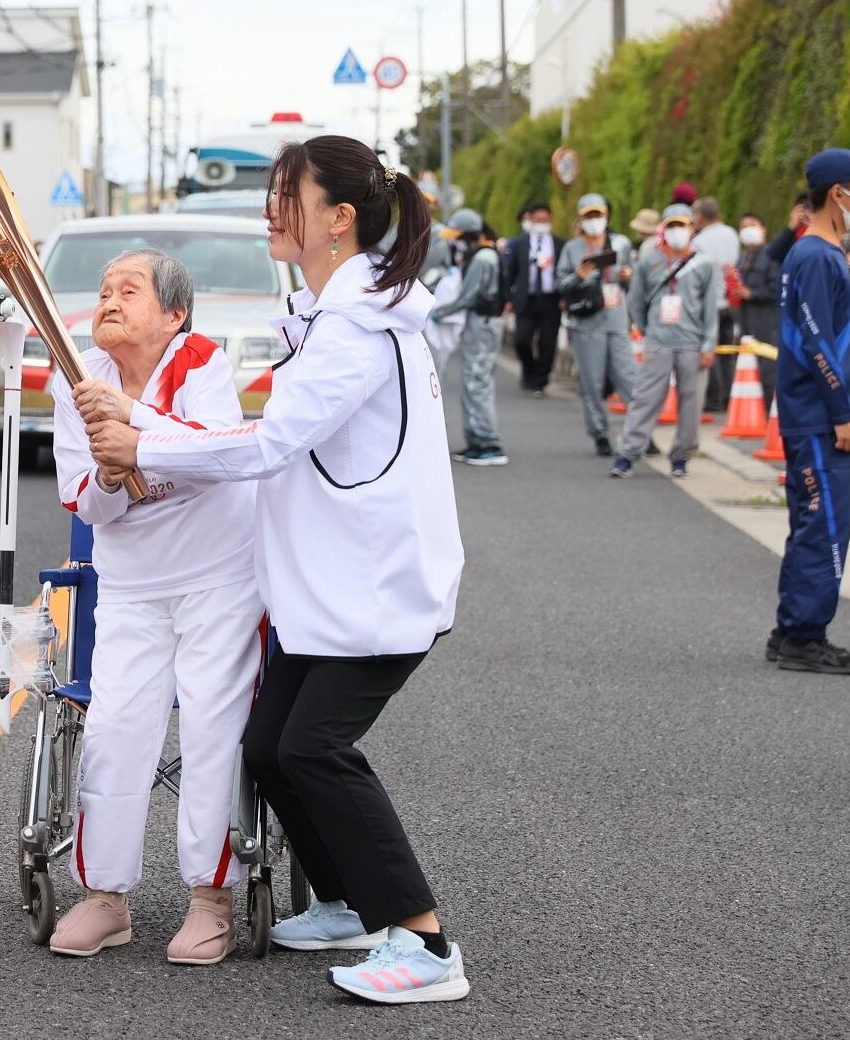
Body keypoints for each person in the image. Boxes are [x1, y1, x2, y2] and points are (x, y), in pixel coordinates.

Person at [85, 134, 469, 1006]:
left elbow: (268, 444)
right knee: (269, 745)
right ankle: (339, 903)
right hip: (327, 588)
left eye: (286, 193)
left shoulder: (356, 327)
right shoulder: (337, 312)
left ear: (338, 218)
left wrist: (145, 439)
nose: (272, 207)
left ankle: (424, 942)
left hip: (376, 588)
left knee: (315, 747)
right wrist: (149, 436)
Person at [45, 250, 258, 966]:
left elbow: (215, 452)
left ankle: (210, 901)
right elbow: (83, 499)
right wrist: (112, 471)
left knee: (209, 728)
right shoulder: (77, 381)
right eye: (104, 290)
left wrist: (135, 432)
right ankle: (105, 898)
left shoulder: (202, 362)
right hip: (132, 583)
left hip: (218, 576)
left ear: (173, 314)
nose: (108, 301)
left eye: (127, 291)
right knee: (113, 727)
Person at [771, 148, 850, 676]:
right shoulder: (816, 255)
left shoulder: (816, 252)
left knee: (809, 523)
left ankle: (792, 628)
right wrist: (843, 413)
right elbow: (816, 342)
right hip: (820, 416)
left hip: (810, 412)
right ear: (837, 193)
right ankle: (805, 638)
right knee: (825, 526)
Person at [612, 204, 719, 479]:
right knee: (646, 397)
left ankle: (681, 456)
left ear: (691, 228)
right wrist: (648, 330)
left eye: (681, 225)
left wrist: (708, 344)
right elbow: (635, 301)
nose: (676, 231)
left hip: (691, 343)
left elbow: (710, 309)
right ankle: (627, 453)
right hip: (658, 341)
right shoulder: (651, 261)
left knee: (691, 402)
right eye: (671, 226)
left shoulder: (703, 263)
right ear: (663, 229)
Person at [557, 193, 638, 457]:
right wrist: (577, 277)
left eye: (598, 215)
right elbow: (561, 285)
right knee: (592, 381)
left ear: (606, 216)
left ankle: (640, 432)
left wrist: (628, 276)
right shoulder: (573, 248)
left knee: (628, 376)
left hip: (617, 319)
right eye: (589, 216)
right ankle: (600, 433)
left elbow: (633, 280)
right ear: (580, 219)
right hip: (588, 324)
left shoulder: (621, 243)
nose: (594, 221)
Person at [429, 208, 506, 466]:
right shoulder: (486, 254)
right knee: (475, 381)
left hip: (482, 325)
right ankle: (477, 441)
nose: (456, 242)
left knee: (477, 382)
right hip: (482, 324)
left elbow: (468, 296)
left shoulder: (484, 258)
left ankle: (488, 442)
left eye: (459, 236)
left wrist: (439, 311)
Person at [504, 198, 563, 396]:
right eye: (537, 220)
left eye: (545, 220)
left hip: (551, 299)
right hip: (525, 299)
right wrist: (508, 299)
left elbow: (564, 271)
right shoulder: (519, 243)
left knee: (547, 342)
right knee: (522, 340)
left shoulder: (559, 244)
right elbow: (510, 272)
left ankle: (540, 381)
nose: (541, 223)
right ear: (530, 220)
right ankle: (528, 371)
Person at [692, 197, 741, 413]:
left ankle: (713, 399)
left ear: (700, 216)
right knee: (727, 351)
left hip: (709, 302)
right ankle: (729, 396)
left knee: (708, 350)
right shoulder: (731, 234)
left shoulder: (699, 242)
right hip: (729, 300)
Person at [735, 211, 782, 412]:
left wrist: (752, 293)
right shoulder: (742, 257)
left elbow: (778, 289)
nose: (748, 230)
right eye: (744, 226)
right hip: (746, 321)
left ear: (763, 229)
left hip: (767, 321)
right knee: (748, 368)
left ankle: (771, 412)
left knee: (768, 370)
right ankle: (752, 412)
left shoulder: (772, 255)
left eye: (752, 225)